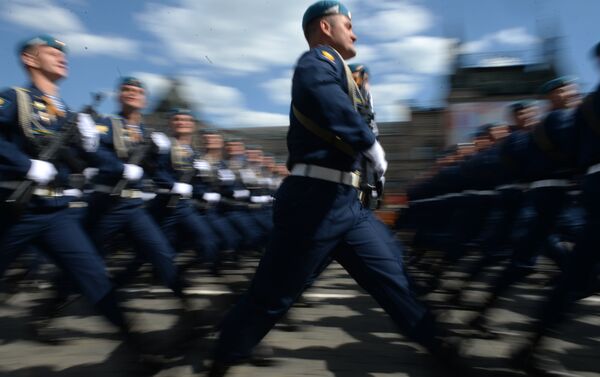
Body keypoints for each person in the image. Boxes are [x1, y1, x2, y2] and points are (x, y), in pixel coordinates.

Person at [208, 2, 468, 376]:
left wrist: (367, 114)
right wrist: (368, 142)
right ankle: (223, 357)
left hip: (347, 204)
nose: (355, 32)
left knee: (394, 275)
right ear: (325, 29)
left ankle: (442, 348)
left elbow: (353, 122)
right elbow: (328, 102)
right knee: (272, 296)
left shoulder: (344, 76)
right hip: (313, 201)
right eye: (348, 24)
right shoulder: (316, 62)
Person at [0, 35, 141, 355]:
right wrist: (25, 164)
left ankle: (136, 343)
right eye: (52, 52)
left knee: (93, 273)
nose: (62, 57)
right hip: (15, 207)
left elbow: (87, 159)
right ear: (30, 60)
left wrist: (101, 155)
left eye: (63, 54)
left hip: (56, 209)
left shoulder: (67, 114)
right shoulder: (15, 98)